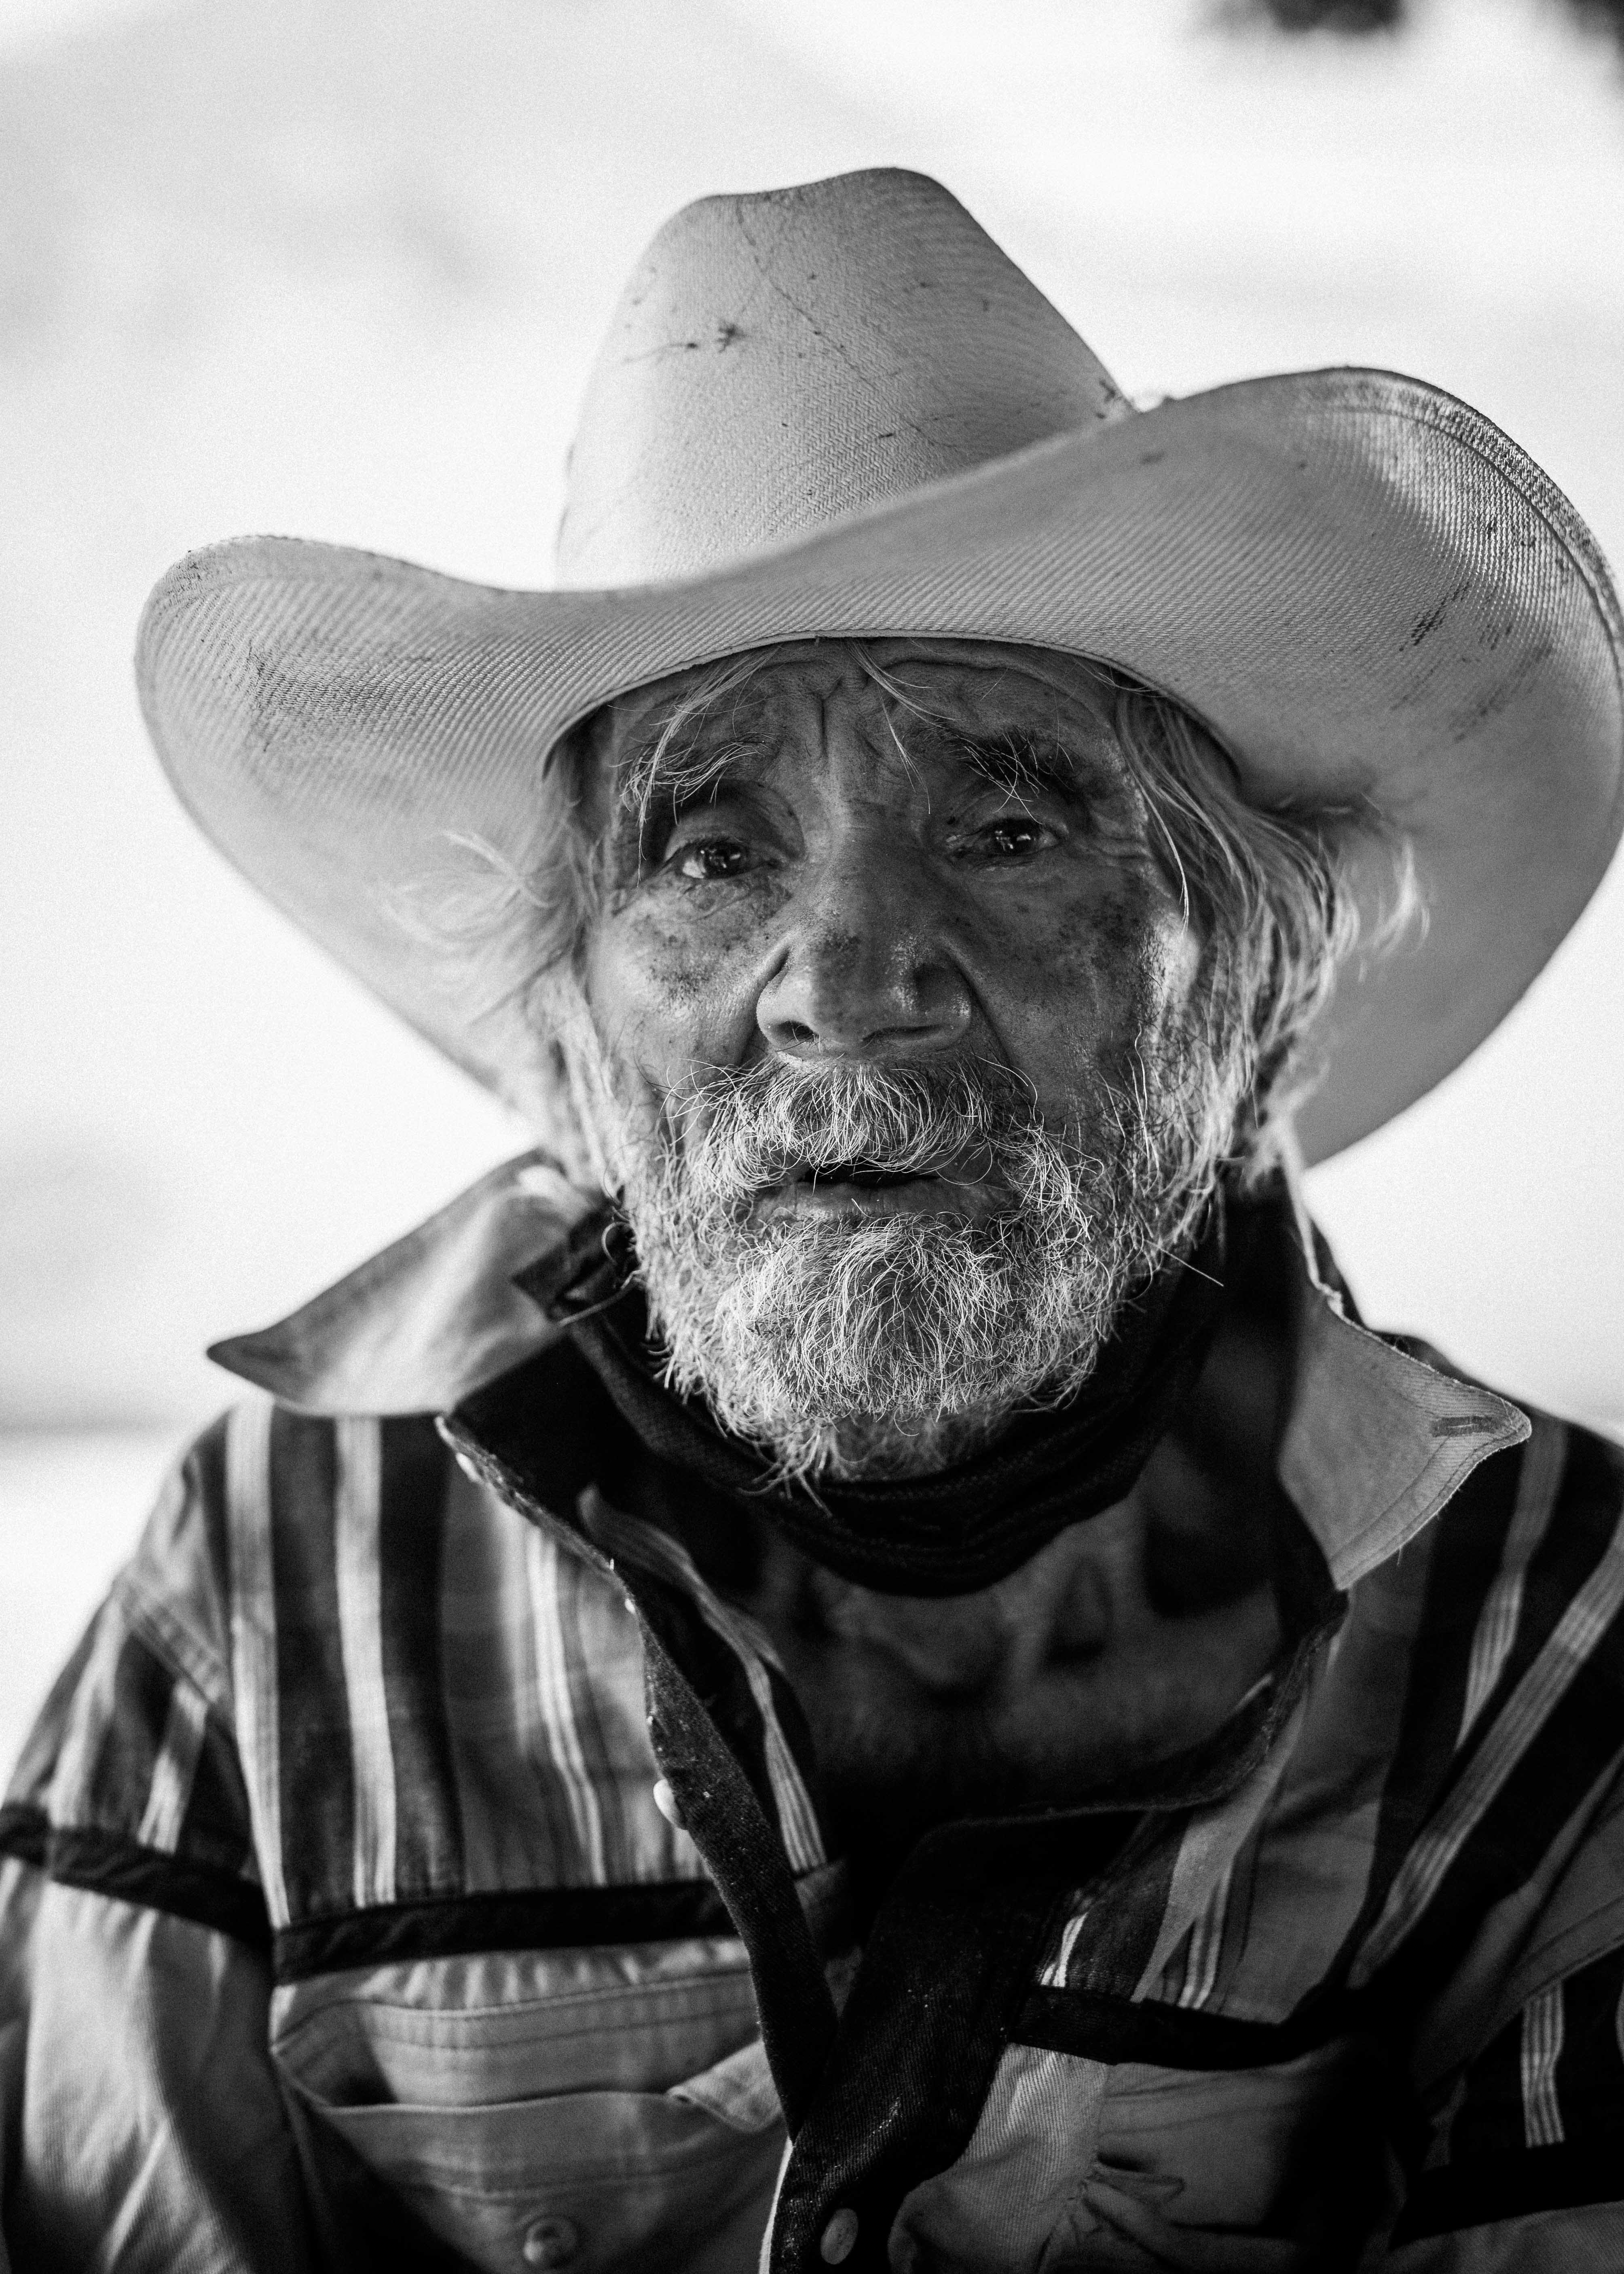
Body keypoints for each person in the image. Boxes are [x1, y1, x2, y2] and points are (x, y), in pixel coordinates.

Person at [2, 167, 1622, 2274]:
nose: (848, 973)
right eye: (708, 849)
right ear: (576, 1024)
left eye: (1015, 819)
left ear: (1236, 984)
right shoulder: (269, 1578)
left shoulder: (1541, 1632)